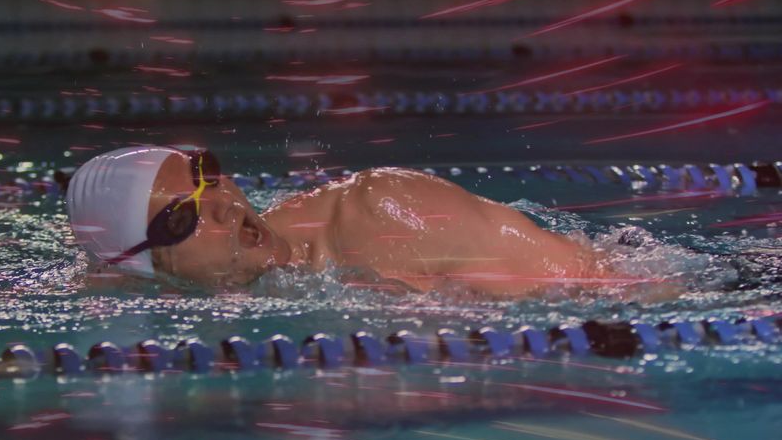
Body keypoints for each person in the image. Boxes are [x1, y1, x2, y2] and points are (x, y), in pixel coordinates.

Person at [65, 145, 650, 299]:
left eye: (205, 174)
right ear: (143, 268)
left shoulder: (386, 213)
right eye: (181, 218)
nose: (222, 202)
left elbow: (618, 288)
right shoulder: (162, 302)